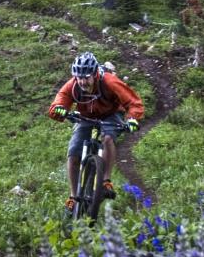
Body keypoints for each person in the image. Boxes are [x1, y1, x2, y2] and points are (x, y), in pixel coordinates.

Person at [46, 51, 144, 211]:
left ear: (95, 74)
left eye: (86, 77)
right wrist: (60, 110)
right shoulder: (72, 85)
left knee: (107, 139)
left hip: (111, 114)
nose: (82, 81)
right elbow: (57, 103)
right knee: (73, 153)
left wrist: (132, 119)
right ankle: (73, 196)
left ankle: (105, 181)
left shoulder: (109, 82)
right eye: (79, 77)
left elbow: (134, 102)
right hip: (85, 116)